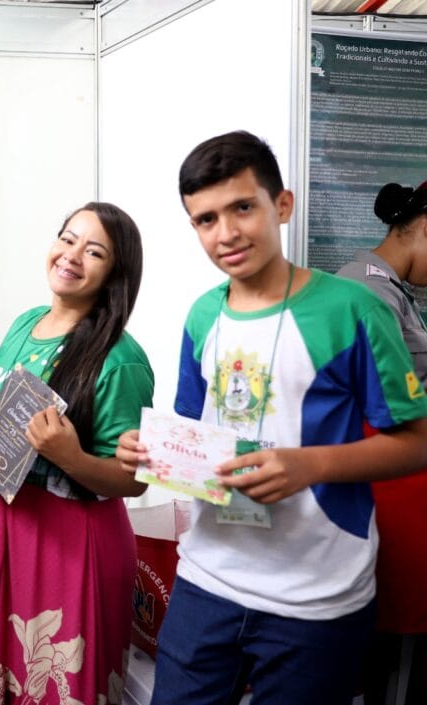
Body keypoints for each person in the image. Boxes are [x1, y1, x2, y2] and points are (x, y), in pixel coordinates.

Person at [115, 131, 427, 704]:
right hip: (207, 579)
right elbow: (199, 434)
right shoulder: (202, 315)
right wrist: (150, 453)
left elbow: (417, 441)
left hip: (316, 596)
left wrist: (309, 465)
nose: (226, 233)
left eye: (242, 208)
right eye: (206, 219)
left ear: (280, 205)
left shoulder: (351, 309)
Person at [0, 202, 154, 705]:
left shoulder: (121, 359)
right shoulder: (24, 324)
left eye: (93, 251)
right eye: (67, 238)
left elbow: (134, 480)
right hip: (5, 524)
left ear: (115, 273)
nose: (72, 255)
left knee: (53, 685)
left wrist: (70, 455)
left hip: (75, 541)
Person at [336, 180, 427, 705]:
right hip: (389, 493)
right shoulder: (368, 289)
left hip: (400, 489)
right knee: (394, 651)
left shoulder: (391, 288)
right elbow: (387, 403)